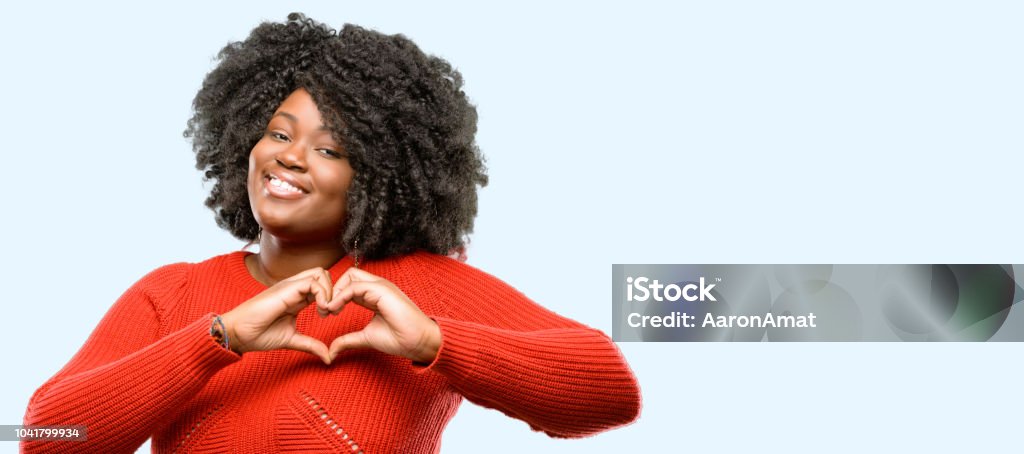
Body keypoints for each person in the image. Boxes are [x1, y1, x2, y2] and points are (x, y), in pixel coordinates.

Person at [22, 13, 641, 453]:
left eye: (331, 149)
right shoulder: (172, 293)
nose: (290, 158)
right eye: (280, 133)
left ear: (381, 177)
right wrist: (219, 339)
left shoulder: (423, 288)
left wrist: (433, 342)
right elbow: (44, 436)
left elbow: (611, 391)